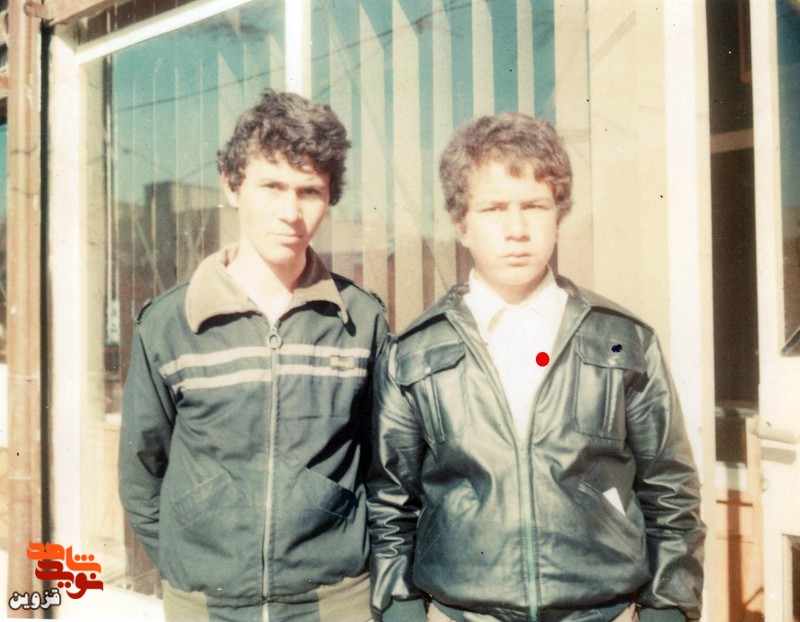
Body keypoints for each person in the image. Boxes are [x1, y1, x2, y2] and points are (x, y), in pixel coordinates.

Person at [367, 112, 705, 622]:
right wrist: (400, 608)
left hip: (602, 613)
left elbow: (670, 489)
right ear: (461, 224)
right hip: (464, 614)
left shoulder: (623, 341)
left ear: (558, 216)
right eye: (493, 209)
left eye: (534, 206)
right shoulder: (414, 353)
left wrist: (669, 608)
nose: (517, 229)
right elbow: (391, 501)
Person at [118, 89, 388, 622]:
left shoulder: (361, 320)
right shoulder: (171, 324)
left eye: (309, 191)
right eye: (272, 186)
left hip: (334, 601)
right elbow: (142, 471)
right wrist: (188, 570)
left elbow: (387, 470)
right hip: (206, 604)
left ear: (330, 198)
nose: (291, 212)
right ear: (232, 185)